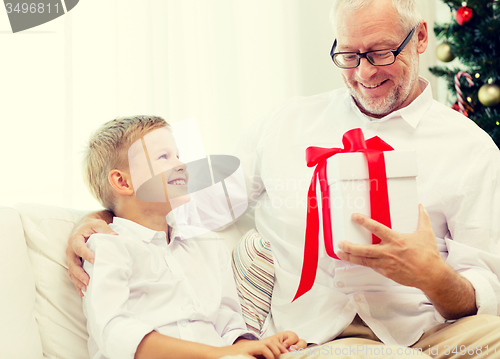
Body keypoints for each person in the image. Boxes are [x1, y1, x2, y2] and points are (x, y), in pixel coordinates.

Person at [69, 1, 500, 358]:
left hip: (426, 334)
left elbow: (485, 291)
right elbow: (191, 206)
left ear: (421, 37)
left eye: (382, 53)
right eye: (349, 56)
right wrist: (104, 215)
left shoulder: (471, 150)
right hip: (311, 337)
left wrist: (432, 276)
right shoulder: (286, 123)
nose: (364, 74)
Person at [79, 115, 306, 359]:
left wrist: (256, 346)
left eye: (178, 155)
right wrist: (215, 354)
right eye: (163, 157)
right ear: (123, 182)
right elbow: (115, 332)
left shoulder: (206, 244)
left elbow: (228, 322)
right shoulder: (107, 246)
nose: (181, 164)